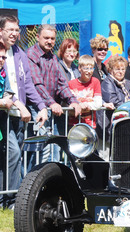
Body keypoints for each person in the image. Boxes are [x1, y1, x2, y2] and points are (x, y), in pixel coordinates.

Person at [0, 15, 46, 209]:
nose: (14, 33)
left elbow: (28, 84)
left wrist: (42, 106)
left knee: (11, 157)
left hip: (18, 116)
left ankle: (5, 200)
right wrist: (18, 104)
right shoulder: (1, 53)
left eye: (17, 30)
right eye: (10, 29)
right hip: (5, 113)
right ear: (0, 31)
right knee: (13, 153)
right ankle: (10, 200)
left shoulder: (20, 53)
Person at [27, 24, 82, 164]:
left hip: (52, 111)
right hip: (36, 109)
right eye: (46, 38)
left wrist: (73, 101)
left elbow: (62, 84)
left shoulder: (52, 58)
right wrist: (51, 102)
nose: (49, 41)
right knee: (40, 151)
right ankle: (30, 184)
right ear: (38, 37)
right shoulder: (31, 55)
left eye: (52, 38)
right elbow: (37, 84)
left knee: (55, 150)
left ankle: (51, 185)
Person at [98, 55, 130, 160]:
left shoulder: (128, 83)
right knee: (105, 158)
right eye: (117, 69)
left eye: (123, 69)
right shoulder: (107, 82)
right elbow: (114, 101)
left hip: (123, 128)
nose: (121, 72)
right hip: (107, 128)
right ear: (111, 69)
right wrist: (129, 105)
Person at [68, 55, 104, 128]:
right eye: (86, 68)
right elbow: (68, 104)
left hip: (90, 124)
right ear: (80, 68)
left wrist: (87, 106)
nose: (89, 71)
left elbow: (98, 102)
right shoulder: (71, 83)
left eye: (91, 68)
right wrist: (80, 106)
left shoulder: (95, 82)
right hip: (74, 124)